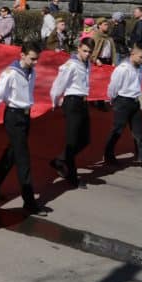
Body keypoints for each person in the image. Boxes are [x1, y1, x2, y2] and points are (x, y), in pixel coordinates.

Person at [0, 41, 43, 213]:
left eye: (37, 59)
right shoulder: (10, 74)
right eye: (32, 59)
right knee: (23, 159)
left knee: (12, 154)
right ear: (22, 55)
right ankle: (29, 201)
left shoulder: (31, 72)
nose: (35, 62)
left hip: (25, 115)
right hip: (14, 116)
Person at [49, 39, 93, 187]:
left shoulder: (87, 64)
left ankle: (60, 160)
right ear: (79, 48)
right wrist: (55, 101)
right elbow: (58, 84)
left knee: (85, 139)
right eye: (85, 50)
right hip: (72, 102)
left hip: (82, 102)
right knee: (71, 141)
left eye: (90, 52)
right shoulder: (71, 65)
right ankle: (72, 177)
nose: (87, 54)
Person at [104, 47, 142, 168]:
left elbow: (139, 82)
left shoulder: (140, 67)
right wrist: (112, 99)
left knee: (139, 131)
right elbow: (113, 86)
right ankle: (108, 155)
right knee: (117, 130)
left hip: (135, 101)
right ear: (132, 55)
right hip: (123, 101)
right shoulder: (123, 69)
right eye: (141, 57)